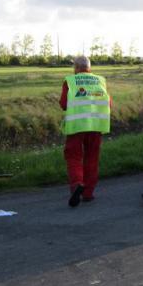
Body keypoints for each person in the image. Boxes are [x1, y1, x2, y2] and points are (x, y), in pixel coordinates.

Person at [59, 56, 112, 207]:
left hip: (77, 126)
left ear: (76, 68)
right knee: (92, 158)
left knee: (74, 157)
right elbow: (109, 103)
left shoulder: (70, 81)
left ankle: (77, 185)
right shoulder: (100, 81)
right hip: (96, 125)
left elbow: (63, 104)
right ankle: (88, 194)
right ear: (89, 68)